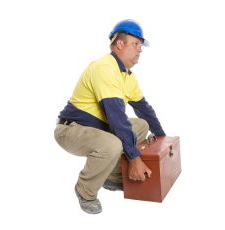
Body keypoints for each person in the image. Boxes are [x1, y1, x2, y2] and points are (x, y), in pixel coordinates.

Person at [54, 19, 166, 214]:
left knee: (141, 125)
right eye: (136, 44)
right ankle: (85, 191)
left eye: (141, 46)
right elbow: (116, 117)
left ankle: (111, 177)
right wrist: (134, 158)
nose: (140, 50)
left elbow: (143, 108)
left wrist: (162, 137)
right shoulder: (104, 67)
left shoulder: (126, 75)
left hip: (98, 128)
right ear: (120, 44)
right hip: (71, 129)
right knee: (112, 145)